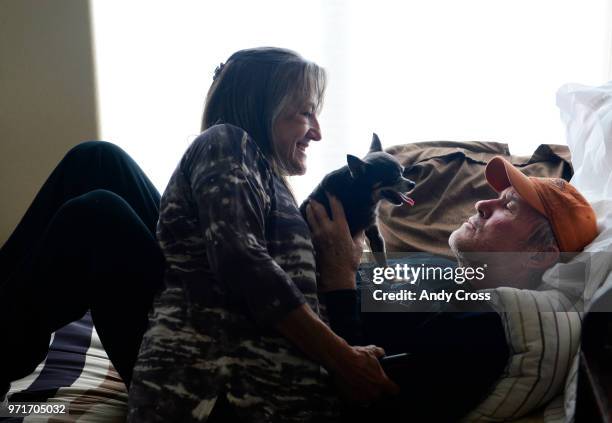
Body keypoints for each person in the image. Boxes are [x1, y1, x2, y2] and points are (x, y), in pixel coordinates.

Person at [126, 47, 397, 423]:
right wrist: (343, 359)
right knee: (99, 195)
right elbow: (240, 260)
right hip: (217, 398)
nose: (317, 133)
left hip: (275, 399)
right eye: (306, 112)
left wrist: (340, 272)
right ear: (263, 108)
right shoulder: (227, 141)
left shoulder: (275, 186)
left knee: (101, 178)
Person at [305, 155, 598, 421]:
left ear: (539, 255)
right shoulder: (446, 271)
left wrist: (338, 275)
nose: (481, 204)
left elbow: (365, 397)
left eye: (508, 206)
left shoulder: (480, 332)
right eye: (495, 197)